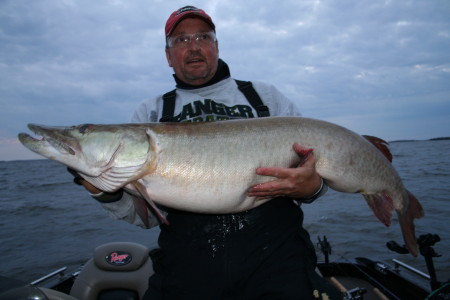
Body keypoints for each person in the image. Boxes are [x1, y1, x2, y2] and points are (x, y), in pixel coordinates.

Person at [74, 6, 341, 300]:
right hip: (188, 266)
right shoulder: (149, 115)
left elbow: (314, 172)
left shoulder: (266, 98)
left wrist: (312, 187)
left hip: (276, 259)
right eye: (181, 40)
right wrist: (104, 192)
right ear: (168, 56)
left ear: (216, 45)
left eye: (203, 36)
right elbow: (147, 217)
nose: (193, 46)